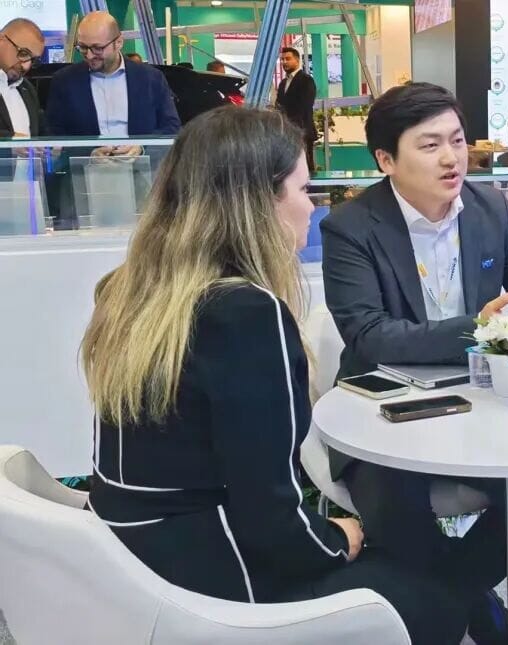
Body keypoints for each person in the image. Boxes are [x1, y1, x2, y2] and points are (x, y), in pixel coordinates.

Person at [81, 105, 470, 644]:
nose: (312, 206)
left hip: (135, 564)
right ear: (260, 202)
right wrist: (336, 539)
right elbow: (269, 515)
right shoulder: (245, 314)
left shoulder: (130, 289)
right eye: (303, 189)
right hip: (217, 586)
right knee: (436, 598)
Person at [321, 82, 508, 645]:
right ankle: (471, 607)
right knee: (395, 508)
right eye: (430, 144)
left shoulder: (488, 208)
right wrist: (475, 329)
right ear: (386, 160)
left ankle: (454, 599)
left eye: (458, 141)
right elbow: (369, 336)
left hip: (478, 402)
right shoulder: (351, 226)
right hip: (383, 409)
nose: (451, 158)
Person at [45, 11, 180, 139]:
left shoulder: (151, 78)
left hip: (141, 155)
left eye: (98, 48)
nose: (89, 55)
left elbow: (171, 127)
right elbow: (54, 132)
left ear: (119, 42)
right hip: (86, 156)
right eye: (83, 47)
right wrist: (88, 151)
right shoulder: (64, 81)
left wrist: (141, 147)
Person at [0, 18, 45, 138]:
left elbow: (41, 133)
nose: (26, 66)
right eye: (23, 53)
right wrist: (11, 142)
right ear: (1, 41)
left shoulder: (28, 89)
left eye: (33, 60)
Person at [275, 47, 316, 172]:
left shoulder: (306, 80)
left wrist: (292, 127)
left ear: (297, 60)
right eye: (282, 59)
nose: (284, 62)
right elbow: (279, 106)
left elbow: (305, 107)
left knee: (304, 168)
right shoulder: (283, 83)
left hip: (301, 131)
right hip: (285, 133)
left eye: (288, 59)